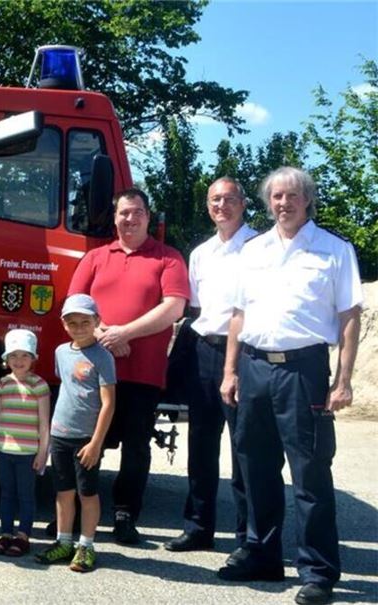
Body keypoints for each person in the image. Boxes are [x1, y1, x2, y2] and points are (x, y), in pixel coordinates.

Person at [217, 167, 363, 605]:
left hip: (304, 371)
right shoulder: (254, 250)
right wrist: (231, 371)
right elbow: (238, 314)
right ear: (268, 202)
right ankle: (262, 554)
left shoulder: (334, 250)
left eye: (293, 195)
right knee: (255, 467)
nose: (284, 203)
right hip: (254, 367)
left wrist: (343, 380)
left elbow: (349, 316)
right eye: (277, 196)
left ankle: (318, 571)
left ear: (307, 200)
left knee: (310, 474)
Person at [66, 187, 189, 544]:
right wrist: (104, 334)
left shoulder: (168, 258)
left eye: (137, 212)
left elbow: (174, 307)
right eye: (124, 212)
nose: (130, 219)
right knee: (88, 441)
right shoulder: (95, 257)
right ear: (115, 217)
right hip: (94, 371)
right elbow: (74, 303)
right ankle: (78, 512)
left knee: (136, 447)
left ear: (148, 217)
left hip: (143, 372)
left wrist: (125, 334)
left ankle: (125, 515)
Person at [165, 178, 256, 554]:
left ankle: (247, 538)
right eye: (215, 200)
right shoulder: (201, 253)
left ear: (243, 203)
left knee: (244, 448)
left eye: (229, 199)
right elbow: (197, 307)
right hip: (204, 352)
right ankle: (198, 527)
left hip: (246, 354)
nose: (222, 205)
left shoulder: (260, 248)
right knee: (201, 444)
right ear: (207, 206)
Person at [36, 294, 116, 573]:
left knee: (88, 493)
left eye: (85, 322)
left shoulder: (103, 357)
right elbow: (67, 387)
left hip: (85, 439)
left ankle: (86, 545)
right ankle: (64, 541)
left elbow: (108, 403)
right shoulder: (60, 352)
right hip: (60, 433)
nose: (79, 327)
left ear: (97, 321)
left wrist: (96, 443)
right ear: (63, 324)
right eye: (72, 322)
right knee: (63, 491)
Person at [0, 329, 50, 558]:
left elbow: (44, 422)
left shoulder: (39, 385)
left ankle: (23, 535)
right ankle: (5, 533)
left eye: (25, 355)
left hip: (28, 452)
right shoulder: (2, 384)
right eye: (13, 355)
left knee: (26, 495)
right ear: (6, 359)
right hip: (4, 448)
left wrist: (42, 452)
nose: (19, 360)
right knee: (6, 493)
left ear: (33, 358)